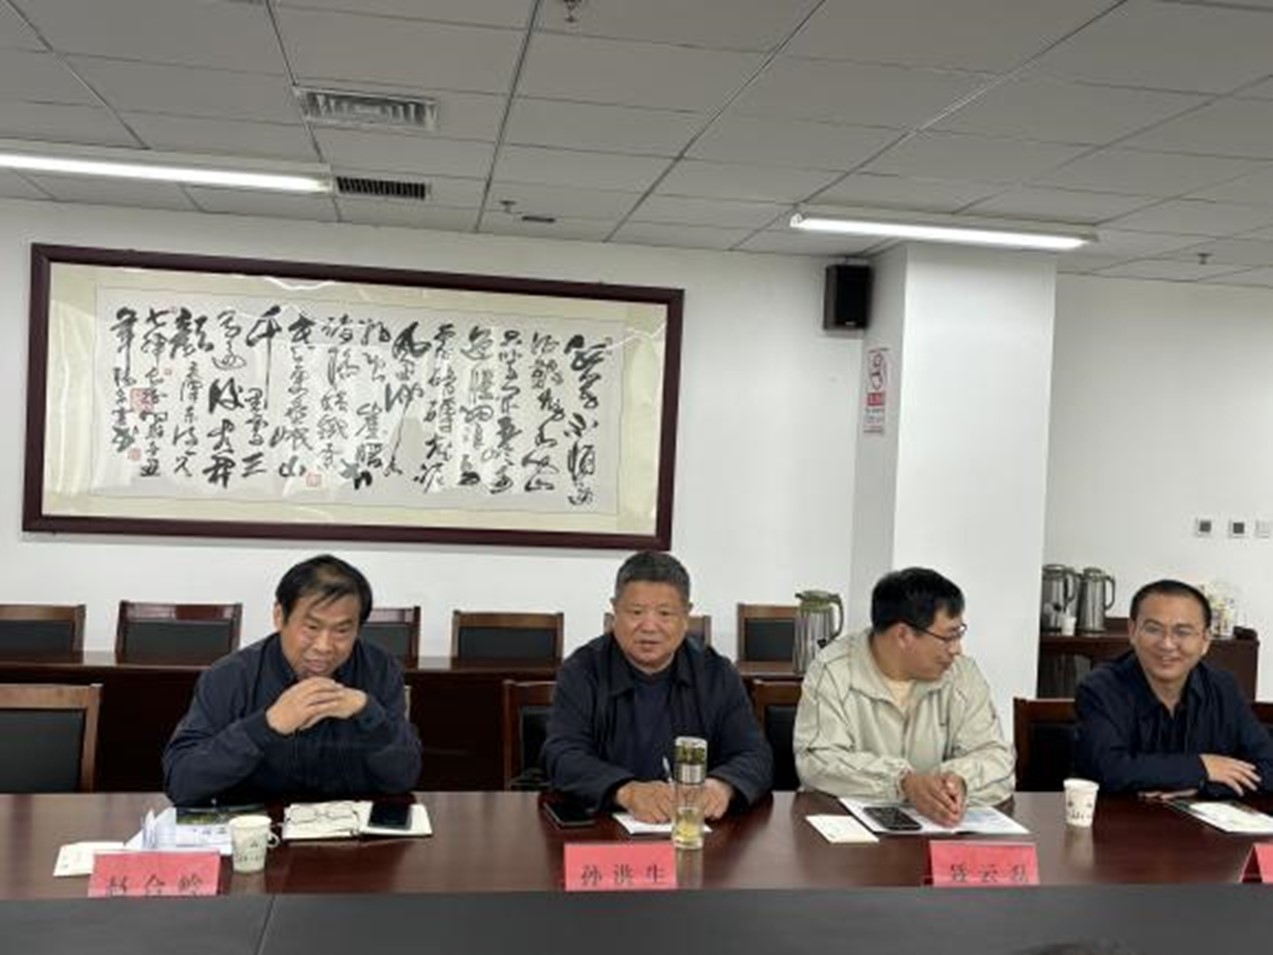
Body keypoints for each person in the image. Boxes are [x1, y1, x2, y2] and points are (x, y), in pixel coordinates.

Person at [163, 554, 422, 806]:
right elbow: (182, 783)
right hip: (261, 827)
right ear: (279, 616)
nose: (324, 646)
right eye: (311, 627)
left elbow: (404, 778)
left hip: (351, 828)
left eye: (342, 630)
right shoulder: (230, 676)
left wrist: (368, 712)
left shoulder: (380, 670)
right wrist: (266, 726)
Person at [543, 550, 772, 820]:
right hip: (604, 828)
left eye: (665, 613)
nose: (649, 626)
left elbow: (754, 753)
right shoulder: (583, 670)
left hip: (693, 829)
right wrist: (626, 791)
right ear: (615, 610)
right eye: (636, 612)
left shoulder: (716, 673)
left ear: (686, 616)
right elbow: (561, 754)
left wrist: (722, 786)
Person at [793, 567, 1014, 825]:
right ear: (903, 635)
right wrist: (902, 782)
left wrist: (958, 782)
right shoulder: (833, 671)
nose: (957, 649)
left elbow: (997, 758)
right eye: (948, 637)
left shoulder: (962, 675)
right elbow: (816, 762)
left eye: (959, 634)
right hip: (849, 833)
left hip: (939, 831)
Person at [1074, 579, 1273, 798]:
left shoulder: (1223, 688)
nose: (1167, 644)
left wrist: (1202, 786)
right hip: (1120, 818)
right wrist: (1201, 767)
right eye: (1153, 629)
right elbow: (1108, 770)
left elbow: (1268, 767)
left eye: (1183, 632)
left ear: (1205, 640)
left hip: (1202, 819)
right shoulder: (1100, 688)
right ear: (1132, 631)